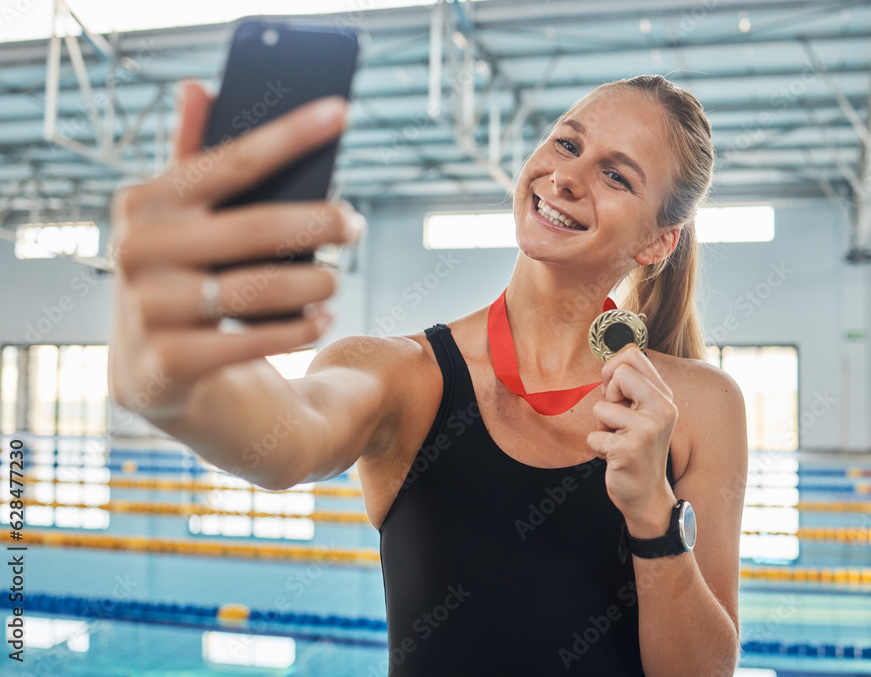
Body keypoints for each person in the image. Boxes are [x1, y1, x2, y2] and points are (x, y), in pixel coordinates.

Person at [108, 73, 747, 676]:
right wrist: (173, 373)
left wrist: (653, 516)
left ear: (658, 243)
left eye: (615, 175)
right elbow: (288, 437)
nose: (567, 177)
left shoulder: (696, 405)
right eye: (566, 143)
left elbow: (707, 668)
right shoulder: (404, 374)